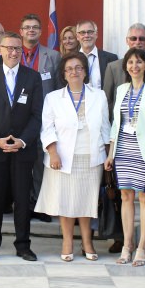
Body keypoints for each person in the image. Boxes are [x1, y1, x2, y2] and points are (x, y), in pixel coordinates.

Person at [102, 23, 145, 254]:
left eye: (139, 62)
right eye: (130, 62)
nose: (134, 66)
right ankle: (127, 245)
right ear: (126, 66)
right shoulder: (121, 89)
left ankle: (142, 246)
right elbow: (116, 123)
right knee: (125, 196)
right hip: (123, 148)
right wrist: (111, 154)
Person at [0, 32, 44, 262]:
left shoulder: (32, 77)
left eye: (17, 48)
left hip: (23, 150)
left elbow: (37, 115)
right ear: (0, 50)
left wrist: (22, 141)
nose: (13, 52)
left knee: (22, 200)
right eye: (9, 48)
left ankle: (23, 245)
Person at [38, 51, 109, 262]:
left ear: (85, 72)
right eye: (69, 69)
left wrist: (109, 155)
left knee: (87, 202)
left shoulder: (99, 95)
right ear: (63, 74)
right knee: (65, 202)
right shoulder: (53, 98)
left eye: (78, 68)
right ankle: (67, 242)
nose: (74, 72)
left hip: (91, 156)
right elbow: (47, 128)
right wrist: (53, 153)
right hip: (62, 158)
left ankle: (87, 242)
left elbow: (106, 127)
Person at [18, 14, 61, 222]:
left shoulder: (53, 56)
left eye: (35, 27)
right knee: (21, 164)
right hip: (19, 118)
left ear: (41, 31)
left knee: (40, 163)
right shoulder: (13, 53)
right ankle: (22, 204)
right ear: (21, 31)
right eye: (27, 27)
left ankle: (39, 204)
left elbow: (59, 88)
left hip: (44, 118)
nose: (31, 30)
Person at [74, 20, 117, 91]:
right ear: (77, 37)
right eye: (82, 33)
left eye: (90, 32)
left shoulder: (111, 58)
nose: (86, 35)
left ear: (96, 35)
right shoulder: (71, 60)